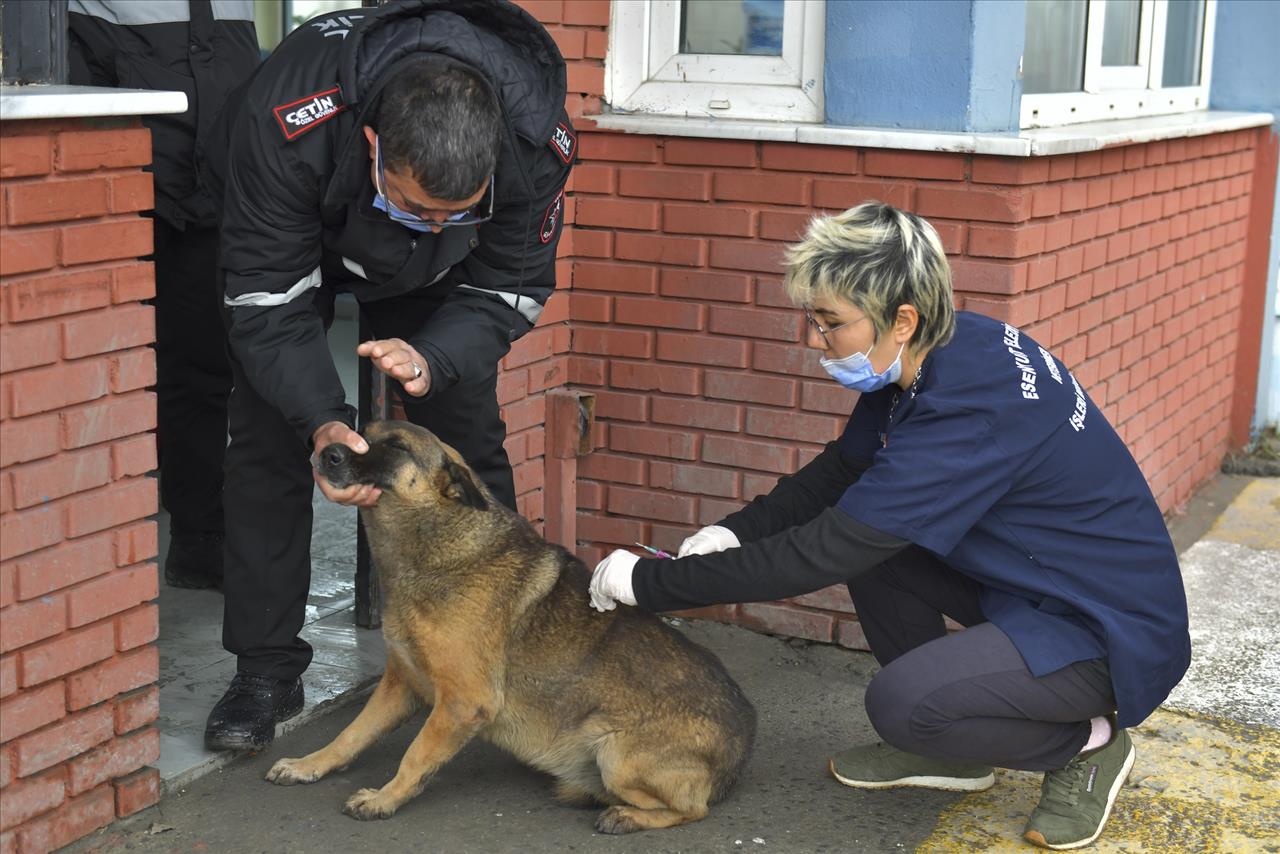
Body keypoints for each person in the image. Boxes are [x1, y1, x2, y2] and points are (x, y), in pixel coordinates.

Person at [589, 202, 1191, 850]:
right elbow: (838, 476)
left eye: (830, 324)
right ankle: (952, 747)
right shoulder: (936, 354)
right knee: (879, 552)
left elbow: (821, 552)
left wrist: (653, 584)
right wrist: (735, 531)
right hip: (1039, 586)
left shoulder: (970, 410)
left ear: (902, 318)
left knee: (899, 703)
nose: (814, 341)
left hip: (1105, 630)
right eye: (812, 321)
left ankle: (1087, 745)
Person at [200, 0, 573, 751]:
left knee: (465, 431)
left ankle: (509, 640)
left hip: (442, 283)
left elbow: (512, 285)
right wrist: (321, 419)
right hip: (304, 234)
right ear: (373, 142)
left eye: (453, 211)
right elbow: (268, 301)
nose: (433, 220)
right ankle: (265, 668)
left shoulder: (535, 143)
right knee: (271, 439)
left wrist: (432, 360)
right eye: (416, 205)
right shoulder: (285, 120)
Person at [68, 0, 261, 589]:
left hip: (239, 195)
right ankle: (200, 541)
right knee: (192, 375)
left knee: (246, 368)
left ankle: (234, 532)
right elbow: (78, 94)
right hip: (153, 205)